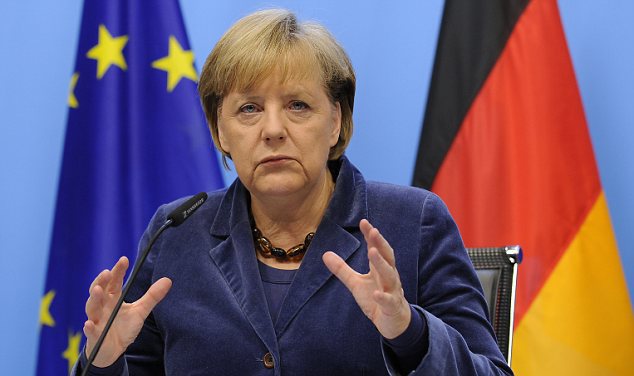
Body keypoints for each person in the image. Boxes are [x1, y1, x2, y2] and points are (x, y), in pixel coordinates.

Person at [74, 9, 513, 376]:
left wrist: (411, 332)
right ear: (219, 132)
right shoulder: (177, 232)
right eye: (249, 109)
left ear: (336, 121)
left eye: (297, 106)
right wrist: (104, 361)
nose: (273, 130)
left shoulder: (412, 223)